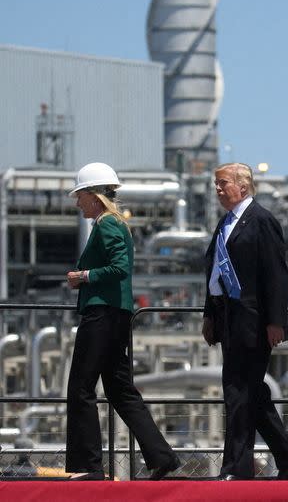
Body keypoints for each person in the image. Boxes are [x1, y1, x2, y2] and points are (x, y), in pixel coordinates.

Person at [65, 162, 180, 481]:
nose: (77, 203)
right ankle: (161, 456)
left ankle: (88, 466)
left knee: (81, 387)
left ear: (93, 196)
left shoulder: (107, 225)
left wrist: (85, 276)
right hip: (115, 314)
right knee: (119, 389)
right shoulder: (111, 223)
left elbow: (120, 267)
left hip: (102, 313)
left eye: (80, 196)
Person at [202, 162, 288, 480]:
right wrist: (210, 315)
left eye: (223, 184)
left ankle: (237, 467)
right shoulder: (226, 222)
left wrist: (276, 321)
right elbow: (215, 273)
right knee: (251, 395)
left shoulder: (262, 221)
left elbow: (276, 274)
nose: (217, 189)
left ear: (243, 186)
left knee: (238, 393)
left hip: (254, 321)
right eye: (216, 184)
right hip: (229, 320)